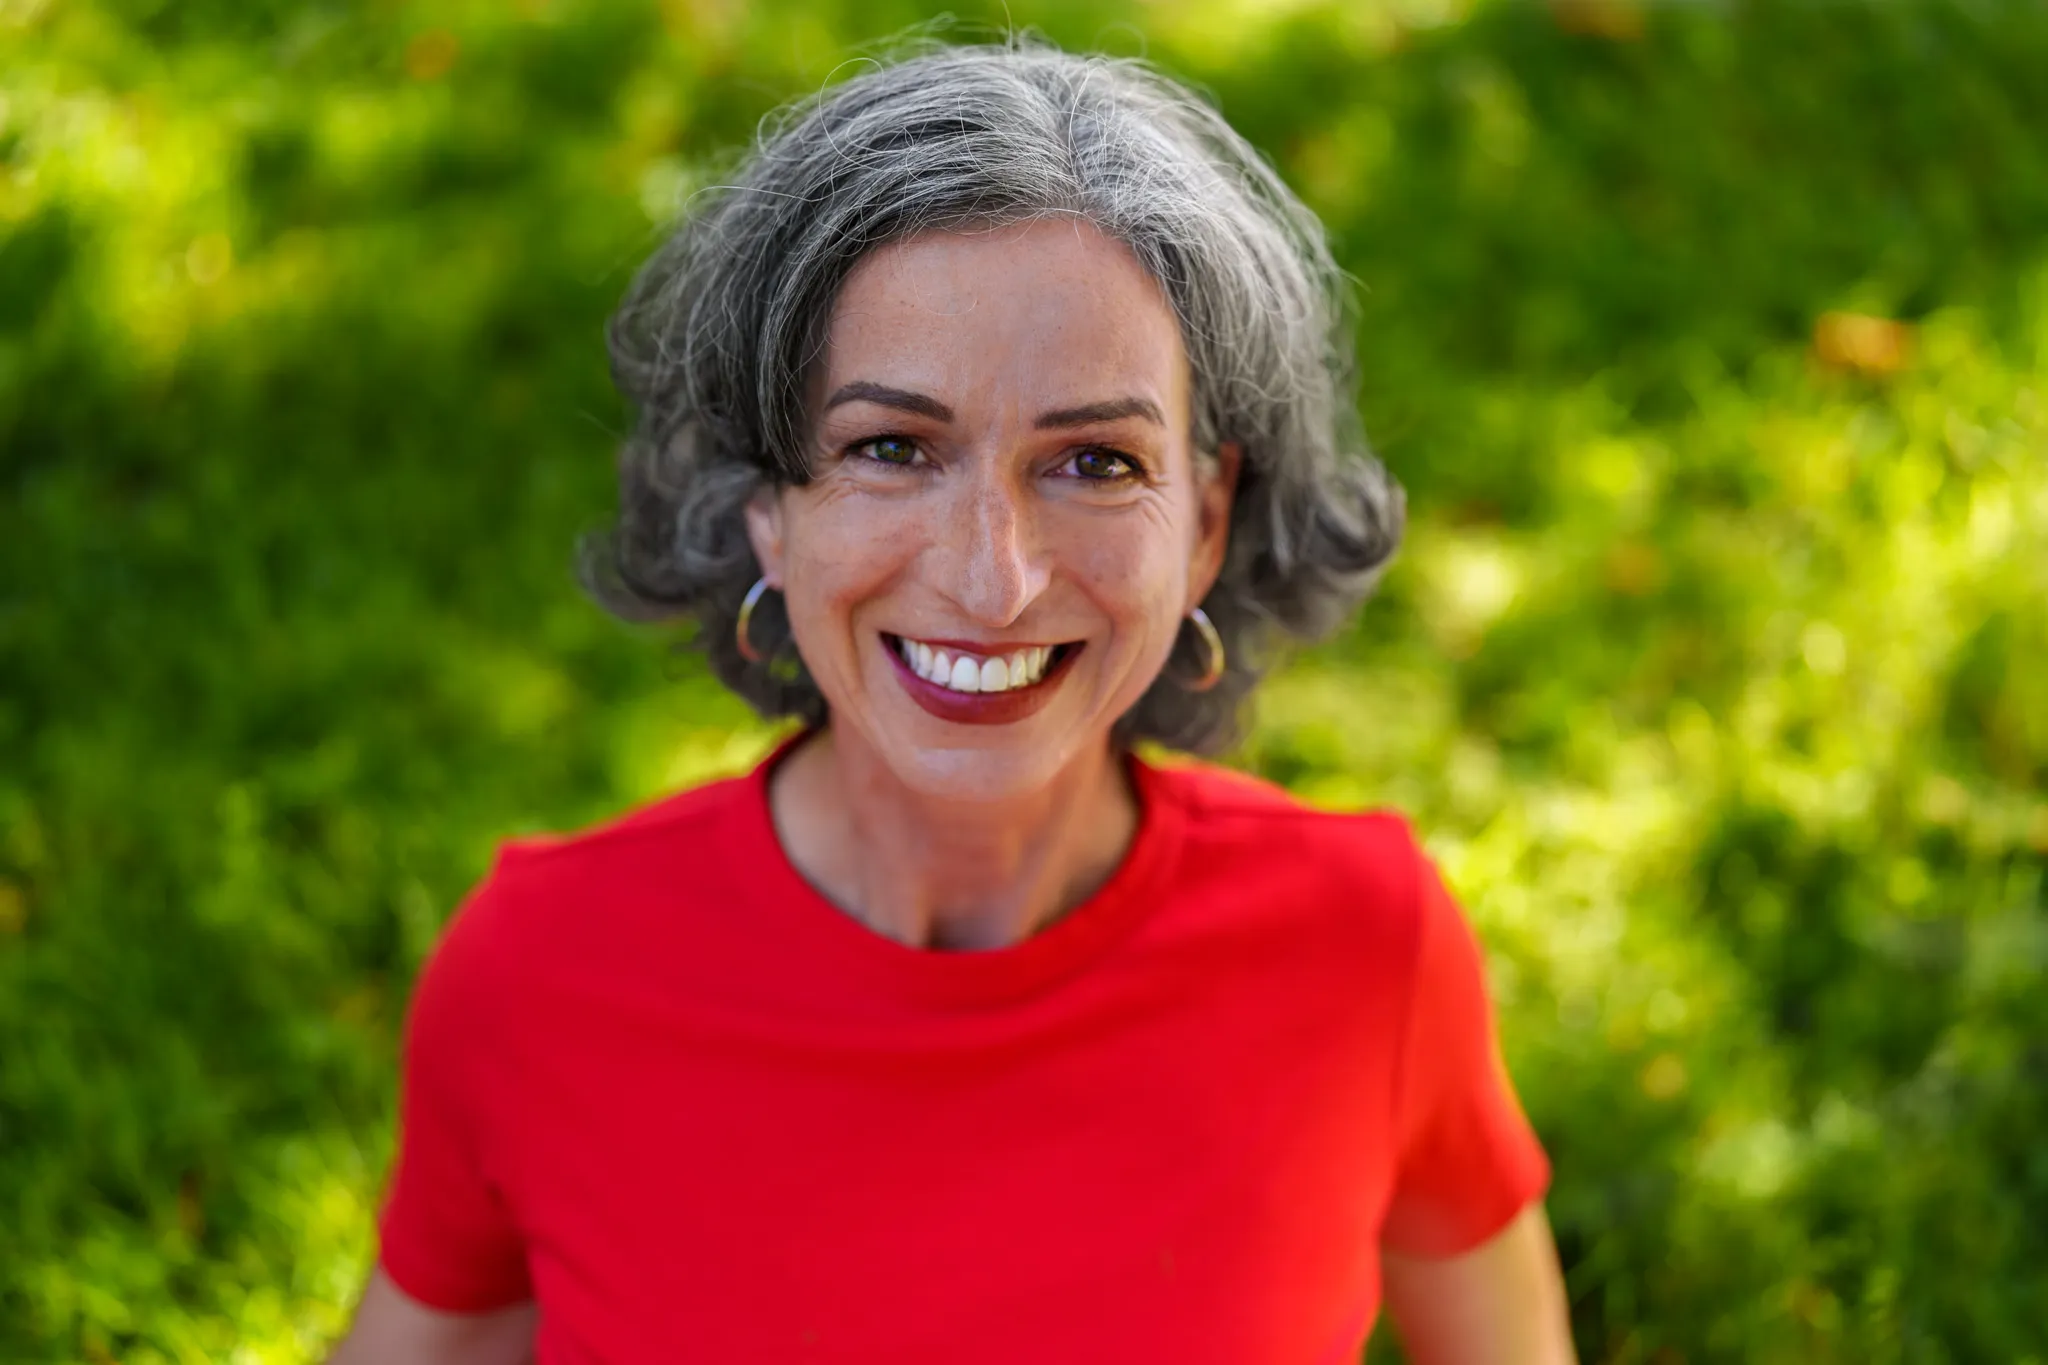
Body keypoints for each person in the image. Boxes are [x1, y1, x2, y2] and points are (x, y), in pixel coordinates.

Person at [329, 38, 1576, 1365]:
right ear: (766, 510)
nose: (994, 580)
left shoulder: (1365, 951)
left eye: (1095, 462)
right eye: (891, 448)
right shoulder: (540, 979)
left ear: (1208, 521)